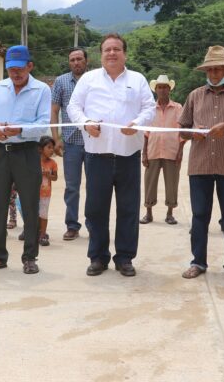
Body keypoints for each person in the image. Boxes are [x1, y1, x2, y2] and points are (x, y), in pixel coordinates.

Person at [67, 33, 155, 277]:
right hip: (97, 156)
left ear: (125, 53)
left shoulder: (137, 80)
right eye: (108, 49)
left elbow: (150, 108)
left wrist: (137, 122)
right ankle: (98, 257)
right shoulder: (89, 79)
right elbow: (73, 107)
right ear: (101, 54)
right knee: (96, 210)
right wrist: (85, 123)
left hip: (128, 155)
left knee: (128, 210)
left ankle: (125, 257)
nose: (112, 53)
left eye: (117, 49)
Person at [178, 45, 224, 282]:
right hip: (200, 164)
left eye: (219, 68)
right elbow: (182, 129)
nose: (214, 73)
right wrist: (194, 133)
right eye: (210, 69)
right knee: (199, 215)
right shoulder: (194, 95)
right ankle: (197, 262)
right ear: (206, 71)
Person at [0, 45, 51, 275]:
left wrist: (19, 130)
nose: (15, 74)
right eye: (11, 69)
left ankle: (30, 256)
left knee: (30, 206)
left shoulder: (41, 90)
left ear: (30, 66)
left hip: (27, 151)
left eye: (20, 69)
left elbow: (43, 124)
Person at [51, 47, 88, 240]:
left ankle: (93, 224)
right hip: (71, 143)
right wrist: (56, 138)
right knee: (72, 187)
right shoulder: (60, 81)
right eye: (72, 59)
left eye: (79, 59)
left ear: (86, 61)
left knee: (95, 187)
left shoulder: (95, 80)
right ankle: (72, 225)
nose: (76, 62)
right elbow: (55, 110)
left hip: (93, 142)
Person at [141, 74, 184, 225]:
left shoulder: (178, 108)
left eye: (165, 87)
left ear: (169, 89)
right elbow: (146, 133)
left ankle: (170, 213)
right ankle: (148, 213)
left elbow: (182, 131)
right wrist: (144, 153)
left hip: (172, 151)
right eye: (159, 87)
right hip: (153, 150)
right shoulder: (150, 108)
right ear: (155, 90)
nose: (162, 90)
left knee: (172, 183)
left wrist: (180, 151)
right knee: (149, 182)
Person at [37, 135, 58, 246]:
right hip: (34, 193)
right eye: (48, 147)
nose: (51, 150)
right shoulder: (34, 161)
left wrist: (48, 175)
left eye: (52, 147)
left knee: (43, 215)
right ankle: (34, 232)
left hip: (45, 194)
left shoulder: (52, 163)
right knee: (34, 214)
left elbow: (55, 178)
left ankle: (43, 234)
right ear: (40, 149)